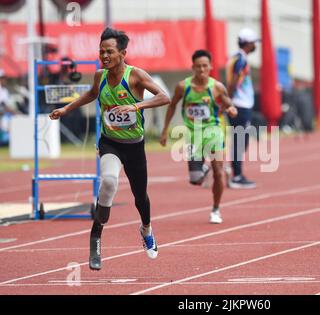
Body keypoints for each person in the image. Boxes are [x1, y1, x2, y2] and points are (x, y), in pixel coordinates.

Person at [49, 27, 170, 270]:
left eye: (110, 52)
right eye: (101, 51)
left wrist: (136, 107)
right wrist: (65, 109)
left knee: (140, 198)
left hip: (134, 146)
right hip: (110, 143)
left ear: (123, 53)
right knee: (109, 182)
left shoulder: (135, 76)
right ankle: (96, 234)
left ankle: (146, 228)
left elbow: (164, 97)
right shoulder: (99, 76)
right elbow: (92, 95)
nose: (104, 56)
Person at [160, 49, 237, 224]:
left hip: (213, 130)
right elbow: (172, 106)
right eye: (198, 66)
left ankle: (216, 209)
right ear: (192, 67)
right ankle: (203, 170)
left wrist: (231, 109)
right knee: (195, 180)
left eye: (205, 66)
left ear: (210, 67)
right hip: (192, 133)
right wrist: (165, 130)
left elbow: (228, 103)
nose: (201, 70)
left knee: (218, 172)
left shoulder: (216, 87)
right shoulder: (183, 86)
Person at [225, 28, 259, 189]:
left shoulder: (236, 57)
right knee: (240, 140)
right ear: (247, 43)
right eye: (253, 43)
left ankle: (235, 172)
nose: (255, 46)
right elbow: (233, 82)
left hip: (240, 104)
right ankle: (236, 176)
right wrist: (228, 101)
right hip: (239, 105)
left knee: (240, 140)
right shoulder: (241, 60)